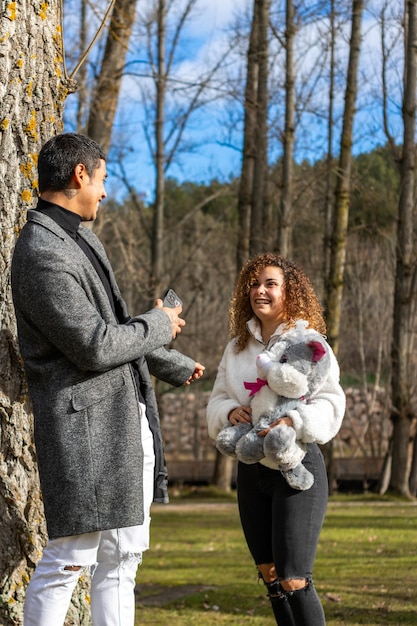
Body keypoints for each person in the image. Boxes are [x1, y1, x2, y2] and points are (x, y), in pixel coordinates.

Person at [11, 132, 204, 626]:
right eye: (102, 179)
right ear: (79, 175)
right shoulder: (41, 251)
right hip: (86, 434)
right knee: (68, 561)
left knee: (122, 561)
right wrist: (160, 322)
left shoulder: (83, 238)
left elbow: (116, 335)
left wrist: (173, 362)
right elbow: (95, 345)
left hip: (124, 423)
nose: (104, 191)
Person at [206, 253, 345, 625]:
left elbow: (332, 402)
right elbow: (218, 397)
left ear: (290, 293)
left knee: (294, 577)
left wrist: (295, 419)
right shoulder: (236, 347)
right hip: (251, 472)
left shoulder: (309, 343)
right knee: (270, 577)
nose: (260, 291)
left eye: (270, 284)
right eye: (254, 283)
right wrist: (226, 413)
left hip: (296, 466)